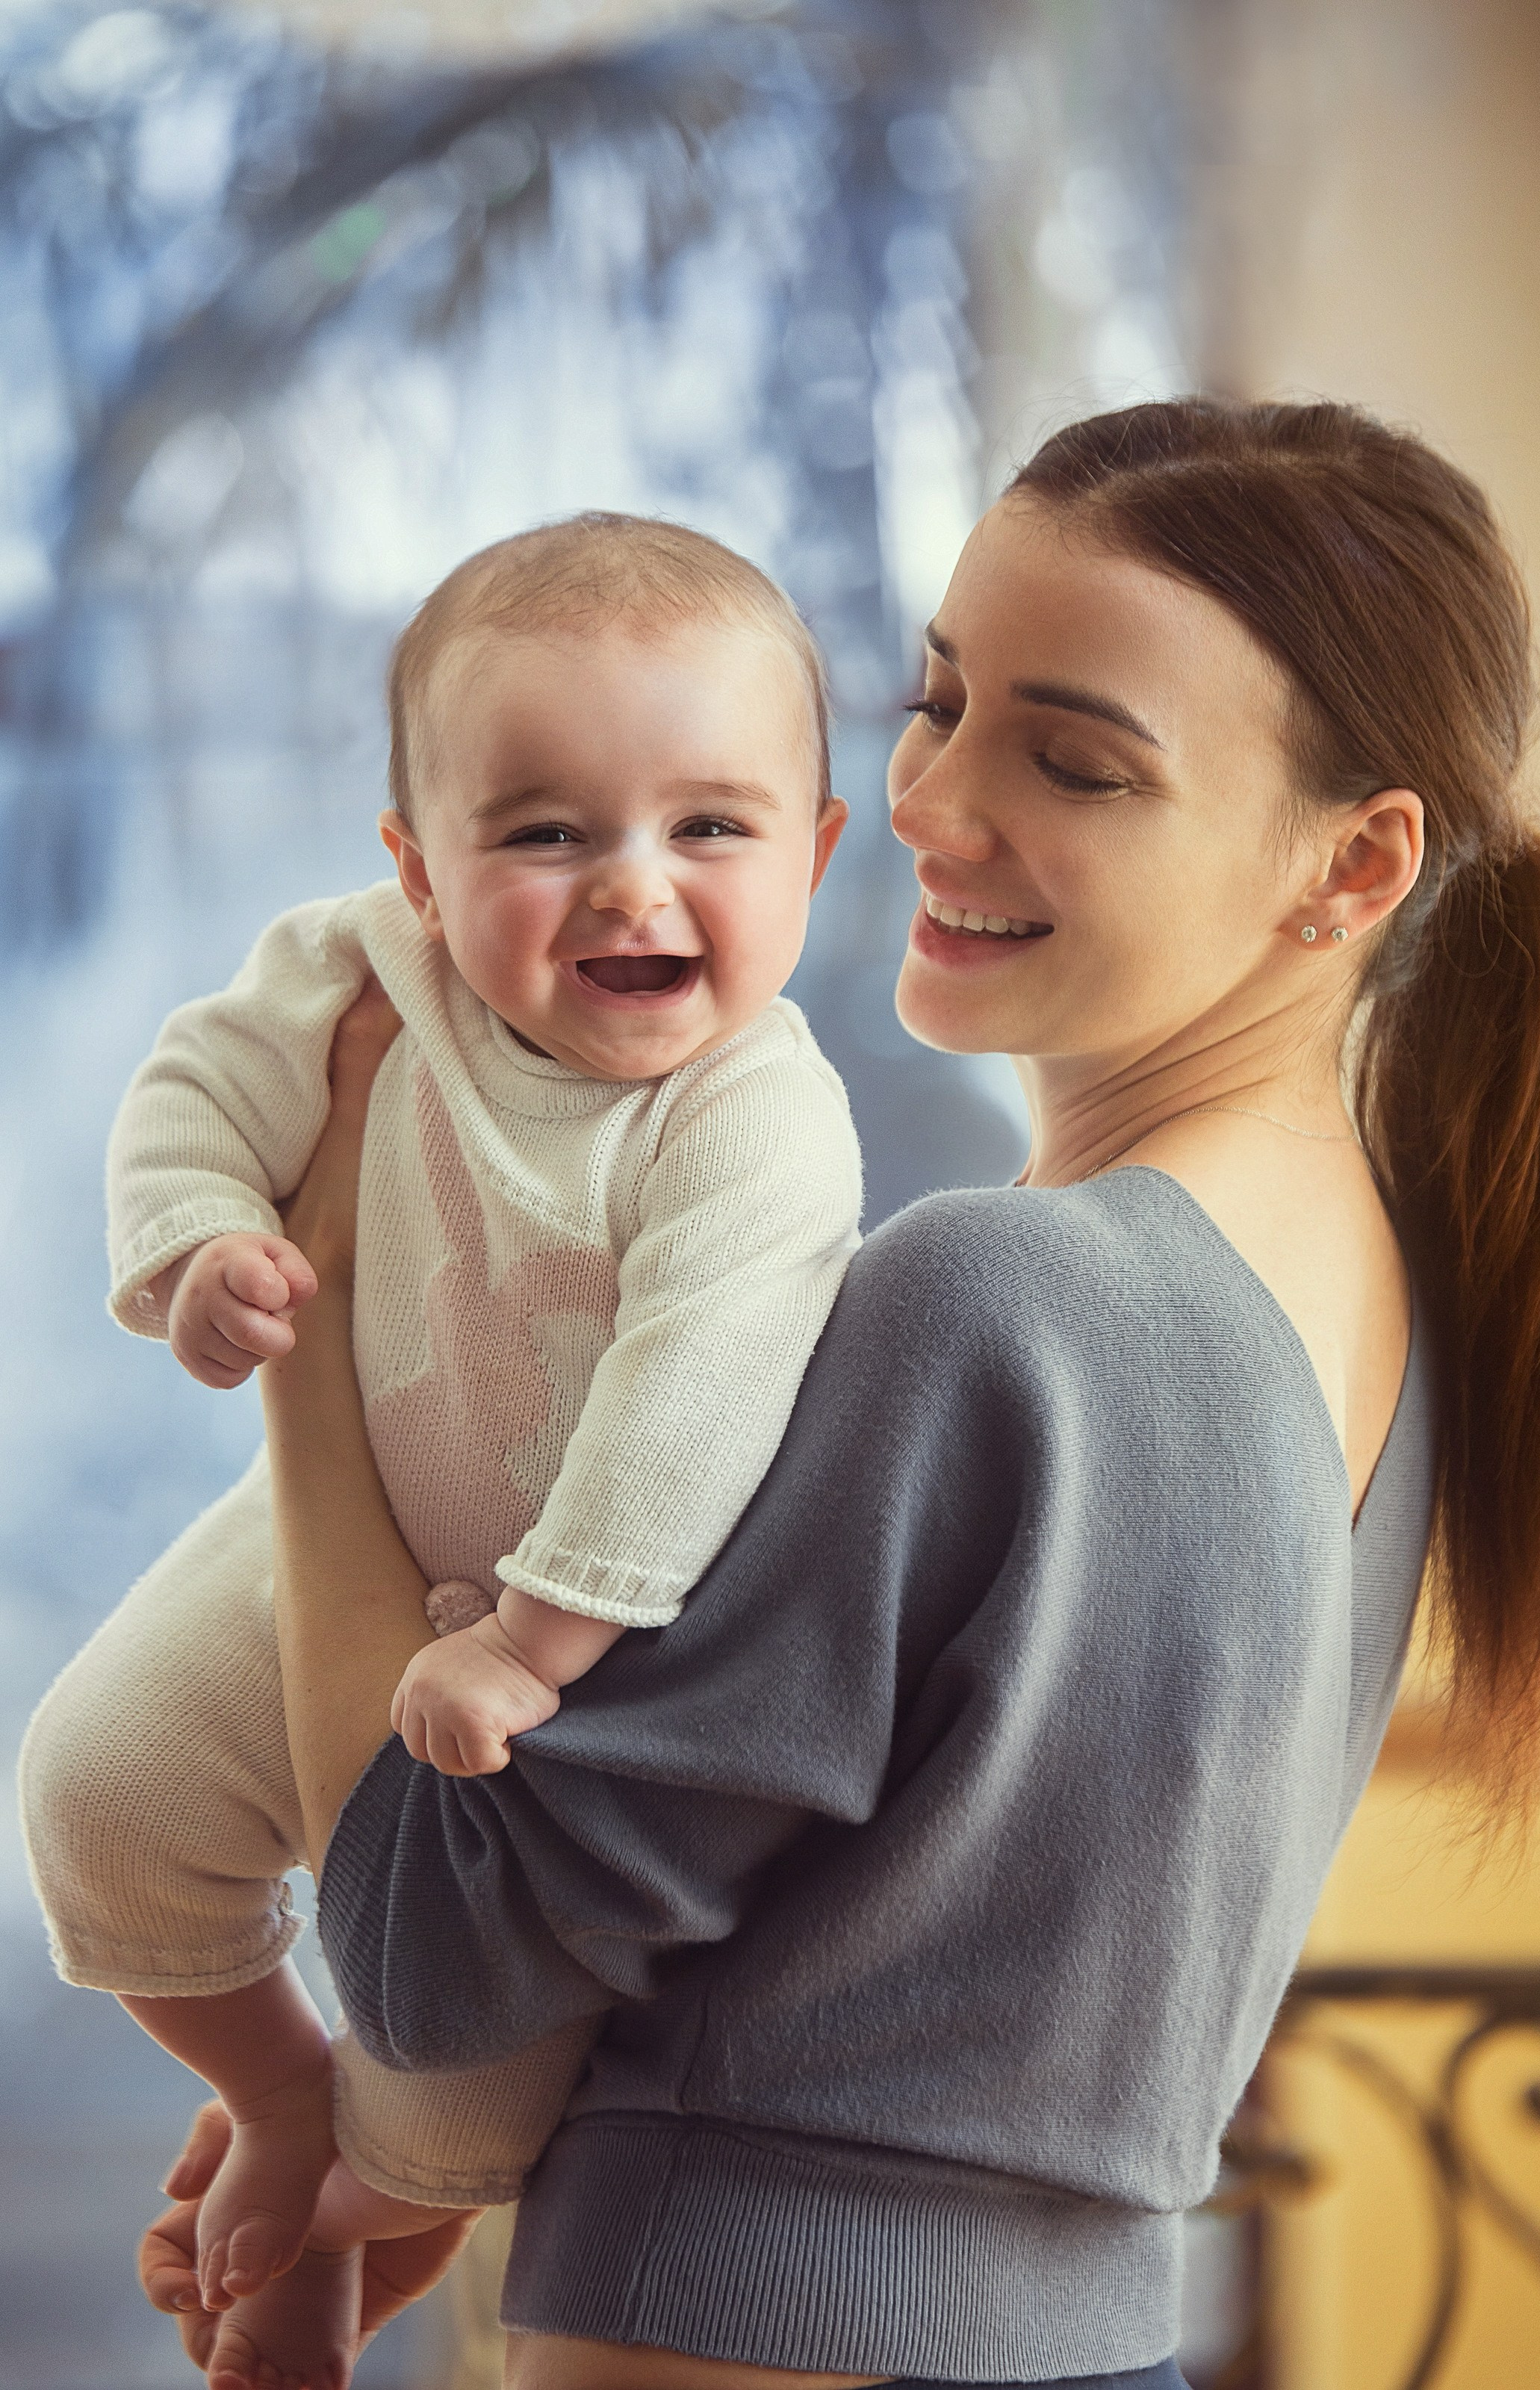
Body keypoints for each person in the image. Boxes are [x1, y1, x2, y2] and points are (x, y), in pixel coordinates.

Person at [152, 396, 1540, 2390]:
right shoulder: (1354, 1302)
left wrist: (318, 1312)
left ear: (1346, 869)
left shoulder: (997, 1304)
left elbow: (427, 1959)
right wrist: (420, 2171)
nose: (923, 800)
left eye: (1070, 761)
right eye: (934, 698)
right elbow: (900, 1973)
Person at [19, 515, 862, 2378]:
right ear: (417, 865)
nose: (630, 886)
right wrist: (192, 1249)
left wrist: (531, 1639)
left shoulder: (755, 1119)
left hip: (585, 1653)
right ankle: (274, 2091)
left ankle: (361, 2199)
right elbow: (199, 1082)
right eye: (544, 832)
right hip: (321, 1539)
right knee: (94, 1790)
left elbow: (693, 1398)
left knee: (464, 2101)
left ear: (812, 854)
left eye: (709, 828)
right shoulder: (362, 974)